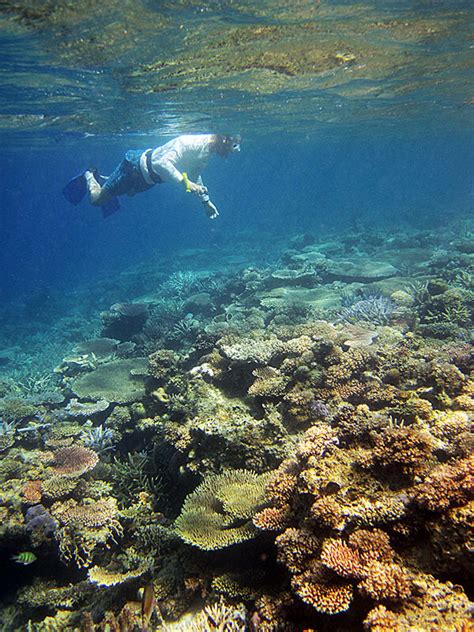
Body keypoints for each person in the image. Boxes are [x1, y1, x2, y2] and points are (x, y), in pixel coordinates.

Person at [63, 133, 241, 219]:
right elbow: (161, 163)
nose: (226, 153)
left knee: (126, 193)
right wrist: (184, 181)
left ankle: (106, 180)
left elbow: (195, 176)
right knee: (97, 200)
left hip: (147, 180)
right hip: (134, 168)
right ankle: (89, 175)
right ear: (222, 141)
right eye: (227, 149)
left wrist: (205, 202)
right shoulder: (187, 142)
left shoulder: (206, 151)